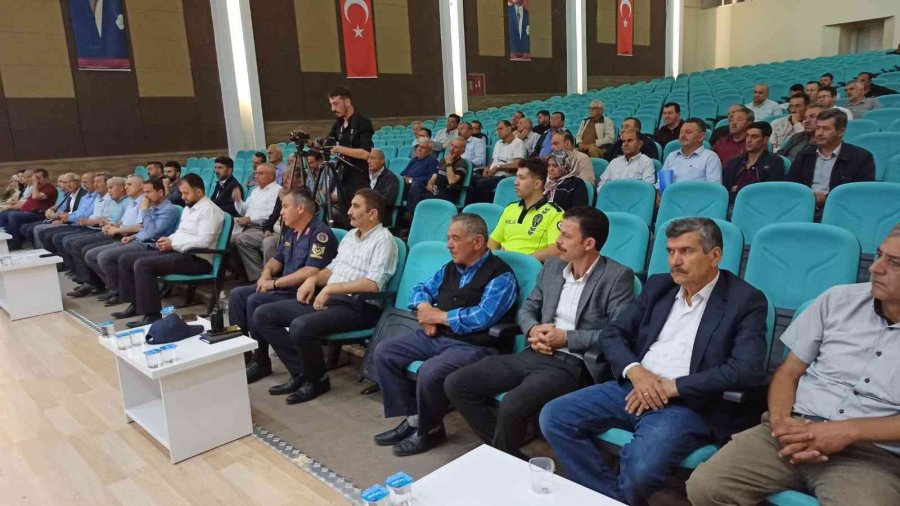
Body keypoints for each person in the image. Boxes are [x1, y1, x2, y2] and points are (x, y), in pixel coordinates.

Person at [539, 217, 769, 505]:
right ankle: (613, 498)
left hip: (686, 403)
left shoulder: (745, 301)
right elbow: (613, 333)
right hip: (633, 387)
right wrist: (636, 372)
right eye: (671, 251)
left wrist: (673, 387)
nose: (675, 261)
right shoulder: (660, 286)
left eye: (686, 251)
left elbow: (746, 369)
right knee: (554, 416)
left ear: (715, 256)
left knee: (640, 470)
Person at [687, 225, 900, 506]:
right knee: (706, 486)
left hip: (870, 454)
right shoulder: (838, 300)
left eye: (894, 263)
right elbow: (788, 372)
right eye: (879, 255)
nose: (875, 268)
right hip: (795, 428)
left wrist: (848, 431)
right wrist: (780, 424)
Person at [445, 207, 634, 459]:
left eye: (566, 236)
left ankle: (503, 457)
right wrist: (533, 329)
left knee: (512, 405)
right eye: (559, 232)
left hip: (574, 364)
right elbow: (528, 308)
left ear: (588, 243)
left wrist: (566, 338)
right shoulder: (553, 266)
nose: (558, 241)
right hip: (535, 351)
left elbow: (617, 333)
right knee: (457, 383)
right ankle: (508, 455)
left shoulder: (617, 276)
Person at [373, 213, 519, 456]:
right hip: (438, 337)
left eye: (455, 238)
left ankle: (429, 431)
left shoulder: (501, 275)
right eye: (448, 238)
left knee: (430, 372)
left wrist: (439, 317)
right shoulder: (451, 267)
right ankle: (415, 419)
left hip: (476, 345)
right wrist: (425, 309)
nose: (448, 245)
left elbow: (483, 317)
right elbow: (420, 289)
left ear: (478, 242)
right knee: (385, 352)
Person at [253, 189, 398, 404]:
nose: (349, 211)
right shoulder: (350, 236)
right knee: (263, 314)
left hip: (359, 306)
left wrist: (330, 289)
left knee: (301, 326)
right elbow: (332, 268)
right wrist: (313, 280)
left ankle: (317, 380)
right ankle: (301, 373)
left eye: (356, 207)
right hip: (332, 300)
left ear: (373, 213)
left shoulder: (384, 240)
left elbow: (373, 284)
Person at [230, 188, 338, 384]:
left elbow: (311, 271)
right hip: (284, 288)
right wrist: (265, 274)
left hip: (303, 293)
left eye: (285, 206)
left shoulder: (320, 234)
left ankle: (262, 360)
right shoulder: (291, 231)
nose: (281, 212)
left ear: (300, 208)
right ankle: (244, 355)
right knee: (237, 295)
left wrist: (274, 283)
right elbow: (277, 259)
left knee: (255, 300)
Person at [111, 173, 225, 327]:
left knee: (143, 265)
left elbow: (204, 242)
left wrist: (173, 244)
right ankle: (136, 304)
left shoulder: (210, 210)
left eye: (186, 193)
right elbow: (181, 232)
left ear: (199, 192)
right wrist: (167, 239)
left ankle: (152, 315)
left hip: (198, 259)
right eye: (182, 193)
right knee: (126, 259)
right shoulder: (189, 207)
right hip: (179, 252)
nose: (183, 197)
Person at [92, 179, 180, 306]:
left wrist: (144, 210)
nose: (145, 196)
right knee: (94, 254)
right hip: (138, 240)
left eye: (149, 192)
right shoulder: (152, 206)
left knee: (106, 257)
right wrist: (133, 237)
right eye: (144, 192)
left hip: (152, 245)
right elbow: (144, 229)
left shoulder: (169, 210)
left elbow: (152, 233)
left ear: (160, 192)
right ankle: (121, 292)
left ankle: (123, 295)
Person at [66, 176, 144, 297]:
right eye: (126, 184)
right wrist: (111, 226)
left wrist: (116, 229)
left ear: (141, 186)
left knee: (97, 255)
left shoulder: (142, 202)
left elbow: (139, 226)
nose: (126, 187)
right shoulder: (133, 202)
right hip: (119, 233)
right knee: (87, 252)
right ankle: (109, 286)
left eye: (129, 184)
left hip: (129, 237)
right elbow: (123, 221)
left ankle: (117, 290)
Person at [787, 108, 875, 212]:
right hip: (803, 208)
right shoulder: (805, 154)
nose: (819, 133)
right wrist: (809, 199)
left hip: (841, 211)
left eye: (826, 129)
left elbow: (861, 194)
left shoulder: (861, 157)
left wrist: (826, 199)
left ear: (841, 132)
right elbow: (791, 186)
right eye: (818, 128)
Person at [488, 158, 563, 261]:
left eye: (522, 178)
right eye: (516, 177)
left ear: (537, 184)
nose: (516, 182)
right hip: (502, 265)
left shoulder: (555, 213)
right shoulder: (510, 208)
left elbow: (555, 250)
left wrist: (522, 262)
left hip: (530, 268)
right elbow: (493, 242)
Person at [232, 163, 282, 282]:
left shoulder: (277, 191)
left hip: (263, 227)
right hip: (248, 226)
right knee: (228, 240)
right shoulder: (255, 191)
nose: (256, 176)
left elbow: (272, 215)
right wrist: (238, 200)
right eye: (256, 173)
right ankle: (245, 274)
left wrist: (251, 219)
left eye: (260, 173)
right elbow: (243, 210)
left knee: (241, 239)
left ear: (271, 176)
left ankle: (259, 277)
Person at [327, 86, 375, 209]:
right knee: (344, 214)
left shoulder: (363, 122)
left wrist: (339, 149)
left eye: (336, 104)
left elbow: (365, 154)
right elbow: (327, 144)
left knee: (358, 213)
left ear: (347, 102)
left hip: (358, 178)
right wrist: (309, 143)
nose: (333, 109)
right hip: (342, 177)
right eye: (331, 104)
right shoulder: (338, 124)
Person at [40, 173, 109, 257]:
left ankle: (65, 262)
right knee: (45, 232)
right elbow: (78, 212)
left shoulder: (96, 196)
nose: (85, 185)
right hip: (82, 224)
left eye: (86, 182)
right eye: (84, 182)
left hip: (91, 227)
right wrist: (64, 216)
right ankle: (59, 260)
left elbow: (86, 215)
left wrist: (67, 217)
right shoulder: (88, 196)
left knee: (63, 239)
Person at [723, 122, 786, 204]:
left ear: (765, 140)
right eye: (747, 136)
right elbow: (725, 189)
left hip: (761, 205)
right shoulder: (734, 162)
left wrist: (738, 188)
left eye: (754, 137)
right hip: (733, 205)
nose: (748, 140)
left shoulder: (775, 162)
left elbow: (769, 190)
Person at [469, 120, 528, 204]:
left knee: (482, 184)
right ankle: (471, 207)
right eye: (497, 129)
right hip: (492, 174)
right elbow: (494, 161)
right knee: (471, 179)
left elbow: (517, 164)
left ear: (509, 128)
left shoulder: (518, 143)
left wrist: (498, 168)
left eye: (501, 129)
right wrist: (487, 168)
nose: (498, 132)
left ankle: (483, 208)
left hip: (505, 176)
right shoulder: (498, 143)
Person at [0, 169, 58, 250]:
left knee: (13, 215)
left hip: (39, 214)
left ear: (46, 178)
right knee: (3, 214)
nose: (36, 180)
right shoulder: (38, 188)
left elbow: (36, 196)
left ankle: (16, 243)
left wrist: (34, 184)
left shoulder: (49, 188)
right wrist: (9, 207)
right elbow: (25, 203)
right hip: (26, 212)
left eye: (38, 178)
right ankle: (9, 240)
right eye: (35, 178)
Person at [408, 137, 468, 214]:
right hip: (436, 190)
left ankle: (413, 215)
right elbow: (434, 175)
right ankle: (412, 214)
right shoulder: (443, 160)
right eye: (452, 145)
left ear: (462, 152)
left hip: (447, 192)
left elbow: (452, 181)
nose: (452, 149)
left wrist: (449, 163)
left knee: (419, 197)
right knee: (416, 185)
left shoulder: (462, 163)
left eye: (456, 147)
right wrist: (430, 184)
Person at [662, 118, 723, 184]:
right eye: (681, 132)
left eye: (688, 132)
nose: (683, 135)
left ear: (701, 136)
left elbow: (714, 187)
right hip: (671, 191)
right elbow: (662, 184)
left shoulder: (710, 157)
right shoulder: (671, 156)